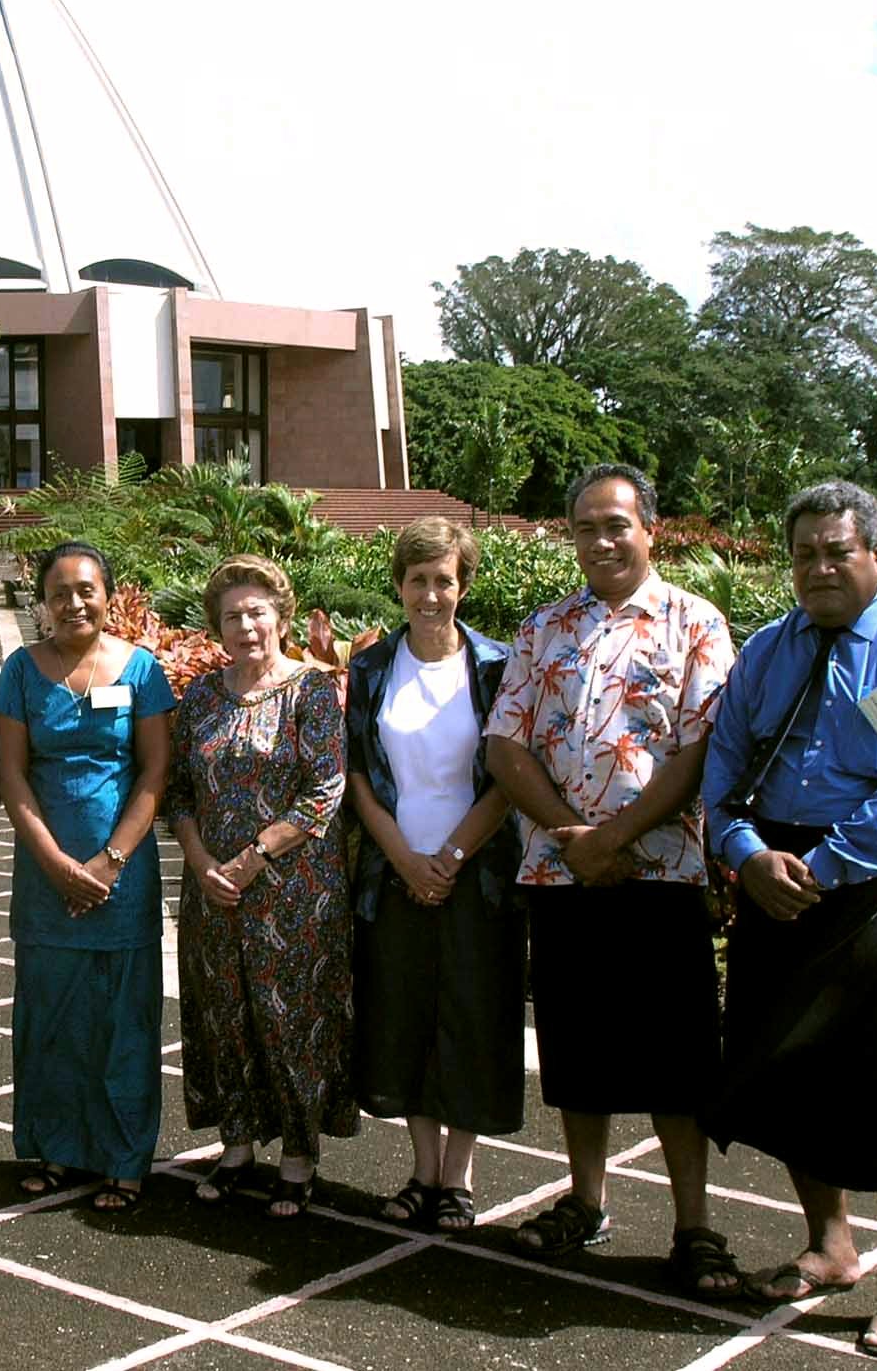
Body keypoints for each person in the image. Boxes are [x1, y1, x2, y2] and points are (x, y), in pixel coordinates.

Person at [701, 481, 877, 1359]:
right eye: (805, 553)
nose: (819, 568)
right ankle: (830, 1243)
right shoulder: (766, 653)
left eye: (837, 551)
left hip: (868, 878)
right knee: (787, 1064)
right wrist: (745, 852)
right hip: (770, 868)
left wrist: (819, 868)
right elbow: (724, 769)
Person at [483, 464, 743, 1298]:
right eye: (585, 526)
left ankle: (695, 1224)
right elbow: (505, 745)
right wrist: (571, 838)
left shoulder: (694, 623)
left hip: (658, 871)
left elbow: (701, 749)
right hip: (563, 878)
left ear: (649, 529)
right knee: (577, 1049)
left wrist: (616, 837)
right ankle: (586, 1202)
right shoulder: (543, 628)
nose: (600, 540)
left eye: (616, 525)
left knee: (677, 1059)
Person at [345, 517, 524, 1233]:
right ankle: (422, 1171)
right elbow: (359, 773)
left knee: (472, 1019)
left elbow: (511, 776)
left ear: (464, 584)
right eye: (416, 579)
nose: (429, 593)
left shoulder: (497, 667)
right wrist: (403, 859)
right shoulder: (370, 669)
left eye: (443, 579)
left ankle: (460, 1176)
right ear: (399, 585)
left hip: (474, 877)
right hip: (393, 874)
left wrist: (448, 859)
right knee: (406, 1018)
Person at [167, 554, 355, 1219]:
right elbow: (179, 793)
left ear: (280, 615)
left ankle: (299, 1157)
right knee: (225, 1018)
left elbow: (323, 792)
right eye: (232, 616)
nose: (246, 626)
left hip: (293, 892)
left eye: (257, 612)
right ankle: (237, 1146)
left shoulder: (311, 691)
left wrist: (250, 858)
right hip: (212, 891)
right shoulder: (201, 697)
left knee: (291, 1021)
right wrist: (198, 861)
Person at [0, 542, 175, 1212]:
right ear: (43, 602)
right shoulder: (21, 670)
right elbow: (12, 774)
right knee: (50, 1016)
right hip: (45, 878)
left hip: (123, 880)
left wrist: (109, 861)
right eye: (61, 592)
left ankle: (124, 1160)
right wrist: (55, 863)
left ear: (110, 594)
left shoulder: (141, 668)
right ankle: (55, 1151)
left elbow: (156, 771)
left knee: (125, 1018)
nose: (74, 603)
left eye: (87, 589)